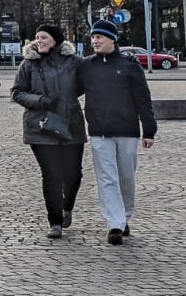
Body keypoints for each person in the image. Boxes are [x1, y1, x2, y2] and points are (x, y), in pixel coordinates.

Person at [79, 19, 157, 245]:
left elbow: (143, 99)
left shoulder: (130, 66)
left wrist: (149, 129)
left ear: (112, 39)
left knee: (126, 177)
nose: (95, 41)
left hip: (127, 131)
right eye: (93, 37)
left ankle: (124, 216)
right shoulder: (86, 66)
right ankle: (114, 224)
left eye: (99, 37)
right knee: (106, 178)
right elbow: (69, 87)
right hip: (99, 131)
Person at [10, 24, 86, 238]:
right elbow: (17, 92)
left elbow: (89, 80)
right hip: (39, 126)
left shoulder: (74, 62)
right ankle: (55, 222)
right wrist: (41, 101)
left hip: (70, 124)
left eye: (43, 37)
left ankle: (67, 206)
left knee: (73, 174)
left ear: (56, 40)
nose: (39, 41)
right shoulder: (29, 63)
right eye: (36, 37)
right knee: (52, 174)